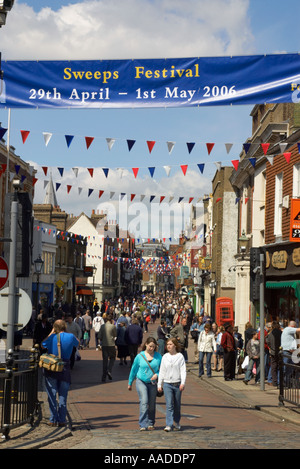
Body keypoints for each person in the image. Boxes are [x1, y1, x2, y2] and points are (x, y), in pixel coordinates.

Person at [41, 319, 79, 427]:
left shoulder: (52, 337)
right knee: (63, 395)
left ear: (55, 327)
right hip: (65, 368)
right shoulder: (70, 336)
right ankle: (62, 419)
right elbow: (77, 343)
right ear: (65, 327)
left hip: (52, 367)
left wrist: (51, 333)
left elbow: (43, 345)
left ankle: (53, 419)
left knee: (52, 394)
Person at [128, 337, 162, 431]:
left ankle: (151, 423)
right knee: (144, 401)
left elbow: (163, 370)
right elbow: (133, 369)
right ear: (146, 344)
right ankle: (142, 424)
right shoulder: (140, 356)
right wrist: (130, 382)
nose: (151, 348)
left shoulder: (158, 356)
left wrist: (157, 374)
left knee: (151, 404)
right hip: (141, 381)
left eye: (153, 347)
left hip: (153, 383)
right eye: (150, 346)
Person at [157, 338, 186, 432]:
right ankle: (168, 424)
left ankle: (177, 422)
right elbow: (162, 371)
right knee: (169, 404)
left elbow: (183, 371)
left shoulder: (180, 356)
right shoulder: (165, 356)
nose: (168, 346)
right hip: (167, 384)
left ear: (175, 345)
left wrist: (183, 383)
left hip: (177, 384)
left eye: (170, 344)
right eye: (167, 344)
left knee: (177, 405)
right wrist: (159, 384)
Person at [99, 314, 117, 382]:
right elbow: (115, 335)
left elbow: (99, 336)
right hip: (111, 344)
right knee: (112, 357)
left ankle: (103, 377)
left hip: (104, 344)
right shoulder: (113, 326)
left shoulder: (102, 326)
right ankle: (109, 370)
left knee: (105, 360)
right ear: (111, 320)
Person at [266, 320, 282, 386]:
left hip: (272, 352)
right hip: (279, 351)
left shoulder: (270, 333)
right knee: (279, 367)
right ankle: (278, 381)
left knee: (273, 367)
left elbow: (268, 342)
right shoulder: (280, 333)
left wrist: (271, 348)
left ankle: (274, 381)